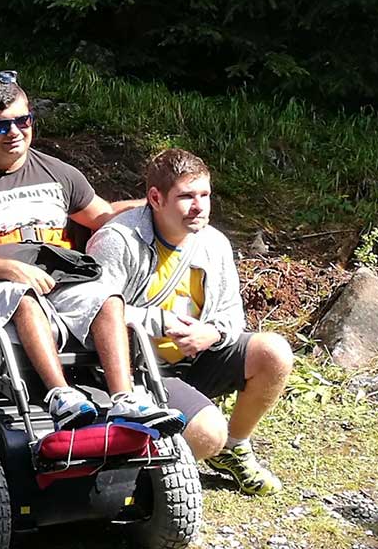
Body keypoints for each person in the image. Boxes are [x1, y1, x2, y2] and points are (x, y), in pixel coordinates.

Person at [0, 71, 183, 432]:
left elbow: (103, 215)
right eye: (1, 127)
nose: (15, 132)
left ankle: (125, 398)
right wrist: (11, 270)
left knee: (107, 297)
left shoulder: (58, 173)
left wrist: (162, 205)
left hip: (58, 279)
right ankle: (61, 396)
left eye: (23, 121)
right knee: (24, 297)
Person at [88, 148, 293, 494]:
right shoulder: (117, 241)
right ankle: (144, 474)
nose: (199, 207)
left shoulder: (213, 243)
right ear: (155, 197)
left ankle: (234, 447)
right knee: (207, 433)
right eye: (186, 197)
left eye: (205, 195)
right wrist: (161, 322)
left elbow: (232, 314)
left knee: (274, 352)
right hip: (136, 371)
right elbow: (90, 310)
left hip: (194, 357)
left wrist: (211, 333)